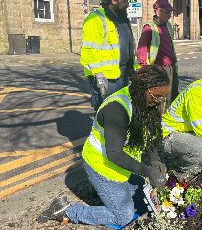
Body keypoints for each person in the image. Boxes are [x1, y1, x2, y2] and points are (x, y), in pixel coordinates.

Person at [38, 65, 171, 227]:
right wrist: (149, 172)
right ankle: (64, 211)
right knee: (123, 216)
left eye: (162, 97)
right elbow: (115, 154)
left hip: (123, 167)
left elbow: (148, 134)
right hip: (102, 166)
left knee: (143, 201)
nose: (159, 101)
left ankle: (100, 191)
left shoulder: (146, 102)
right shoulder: (117, 109)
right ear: (142, 88)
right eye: (156, 97)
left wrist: (155, 160)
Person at [81, 0, 135, 112]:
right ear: (113, 0)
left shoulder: (123, 20)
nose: (128, 4)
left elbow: (129, 48)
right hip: (105, 79)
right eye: (125, 1)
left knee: (121, 111)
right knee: (105, 114)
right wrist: (98, 75)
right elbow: (89, 51)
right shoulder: (95, 19)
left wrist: (135, 69)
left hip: (122, 74)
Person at [136, 0, 179, 114]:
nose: (169, 16)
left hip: (171, 68)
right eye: (167, 13)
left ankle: (168, 124)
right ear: (158, 12)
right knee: (158, 100)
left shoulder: (168, 26)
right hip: (158, 70)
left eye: (170, 13)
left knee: (172, 98)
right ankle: (156, 126)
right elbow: (141, 52)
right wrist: (145, 71)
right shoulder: (149, 28)